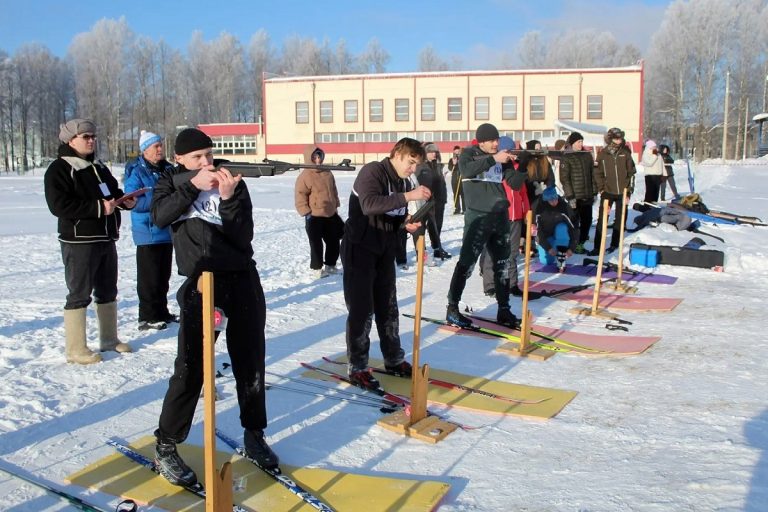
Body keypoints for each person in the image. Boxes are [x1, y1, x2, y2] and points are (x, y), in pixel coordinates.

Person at [150, 128, 277, 486]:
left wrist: (228, 197)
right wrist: (193, 186)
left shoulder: (231, 180)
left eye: (209, 155)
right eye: (197, 159)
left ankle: (254, 434)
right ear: (180, 161)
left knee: (250, 359)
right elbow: (159, 216)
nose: (207, 163)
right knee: (191, 367)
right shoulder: (170, 184)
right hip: (203, 284)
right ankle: (167, 445)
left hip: (242, 279)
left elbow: (242, 235)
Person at [342, 138, 431, 390]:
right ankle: (357, 366)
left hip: (383, 251)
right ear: (397, 154)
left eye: (416, 165)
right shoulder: (373, 171)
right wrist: (408, 196)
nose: (412, 169)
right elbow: (370, 205)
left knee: (388, 307)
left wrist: (407, 223)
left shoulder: (402, 182)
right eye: (410, 162)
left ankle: (393, 358)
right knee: (362, 310)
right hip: (359, 249)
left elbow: (391, 217)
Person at [44, 118, 134, 364]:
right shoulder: (60, 168)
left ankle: (109, 339)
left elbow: (113, 193)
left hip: (106, 238)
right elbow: (59, 205)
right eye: (86, 137)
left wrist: (124, 201)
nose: (91, 140)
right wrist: (97, 208)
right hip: (79, 241)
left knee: (108, 289)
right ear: (70, 140)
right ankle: (75, 348)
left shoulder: (99, 168)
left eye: (93, 136)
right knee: (79, 292)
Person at [445, 124, 529, 329]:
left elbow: (515, 184)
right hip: (478, 217)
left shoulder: (501, 158)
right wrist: (494, 159)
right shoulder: (468, 154)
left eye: (497, 140)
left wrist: (524, 164)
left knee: (502, 263)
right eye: (491, 140)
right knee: (467, 263)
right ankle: (452, 308)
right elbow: (466, 170)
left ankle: (504, 309)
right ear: (481, 141)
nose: (495, 143)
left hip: (500, 216)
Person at [124, 130, 178, 331]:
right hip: (147, 232)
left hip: (166, 230)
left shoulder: (167, 169)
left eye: (160, 145)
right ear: (145, 150)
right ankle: (146, 316)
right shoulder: (136, 171)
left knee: (163, 275)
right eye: (156, 146)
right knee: (149, 278)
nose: (160, 149)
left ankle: (161, 311)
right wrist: (162, 200)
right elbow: (132, 200)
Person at [478, 136, 540, 299]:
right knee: (494, 251)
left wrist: (527, 212)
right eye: (509, 151)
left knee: (512, 252)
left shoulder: (518, 168)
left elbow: (523, 193)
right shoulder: (494, 168)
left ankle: (512, 284)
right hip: (499, 215)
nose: (512, 154)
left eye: (514, 151)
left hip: (516, 216)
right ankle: (490, 285)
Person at [294, 147, 345, 278]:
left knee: (333, 241)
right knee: (316, 243)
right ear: (309, 158)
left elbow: (333, 190)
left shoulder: (327, 172)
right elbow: (300, 195)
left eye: (319, 156)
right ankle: (317, 269)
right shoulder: (305, 175)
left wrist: (335, 204)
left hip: (330, 213)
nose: (318, 160)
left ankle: (331, 266)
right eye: (314, 157)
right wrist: (306, 212)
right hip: (314, 215)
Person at [591, 127, 636, 256]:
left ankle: (615, 244)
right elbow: (597, 173)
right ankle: (597, 246)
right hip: (608, 192)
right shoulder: (603, 154)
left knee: (620, 219)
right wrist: (602, 189)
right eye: (616, 138)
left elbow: (632, 173)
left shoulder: (625, 152)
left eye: (620, 138)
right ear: (610, 139)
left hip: (622, 191)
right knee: (602, 219)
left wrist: (629, 191)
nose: (619, 141)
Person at [559, 132, 597, 254]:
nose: (580, 144)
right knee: (574, 222)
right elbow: (564, 178)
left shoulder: (587, 156)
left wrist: (594, 192)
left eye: (581, 141)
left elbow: (592, 175)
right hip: (575, 197)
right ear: (572, 143)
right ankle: (572, 244)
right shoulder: (567, 157)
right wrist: (570, 196)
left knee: (587, 221)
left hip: (587, 195)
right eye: (578, 142)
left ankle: (580, 244)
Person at [415, 142, 451, 260]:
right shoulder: (420, 166)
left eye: (435, 152)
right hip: (426, 202)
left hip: (439, 200)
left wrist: (443, 198)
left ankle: (437, 248)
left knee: (437, 226)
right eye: (431, 152)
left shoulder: (438, 166)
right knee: (422, 228)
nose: (434, 154)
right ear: (425, 153)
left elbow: (441, 184)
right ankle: (421, 252)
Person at [534, 186, 577, 270]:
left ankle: (561, 257)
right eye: (551, 200)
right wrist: (548, 248)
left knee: (562, 227)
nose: (554, 202)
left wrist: (572, 247)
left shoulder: (563, 206)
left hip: (558, 233)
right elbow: (539, 232)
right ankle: (542, 247)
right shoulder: (538, 209)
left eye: (555, 199)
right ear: (546, 200)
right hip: (545, 236)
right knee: (546, 261)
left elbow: (574, 227)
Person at [641, 140, 664, 204]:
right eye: (653, 146)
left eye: (655, 146)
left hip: (658, 175)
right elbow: (649, 163)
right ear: (649, 147)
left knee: (656, 193)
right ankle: (647, 206)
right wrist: (654, 156)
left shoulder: (657, 153)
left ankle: (654, 206)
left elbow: (661, 164)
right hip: (650, 175)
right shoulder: (646, 153)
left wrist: (663, 174)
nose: (655, 147)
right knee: (650, 192)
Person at [448, 145, 464, 214]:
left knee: (463, 195)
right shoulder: (451, 160)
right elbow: (450, 168)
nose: (457, 153)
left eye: (458, 152)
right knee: (456, 194)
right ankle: (457, 209)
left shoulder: (463, 159)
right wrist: (454, 164)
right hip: (455, 179)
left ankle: (465, 209)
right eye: (456, 152)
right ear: (454, 152)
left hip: (462, 179)